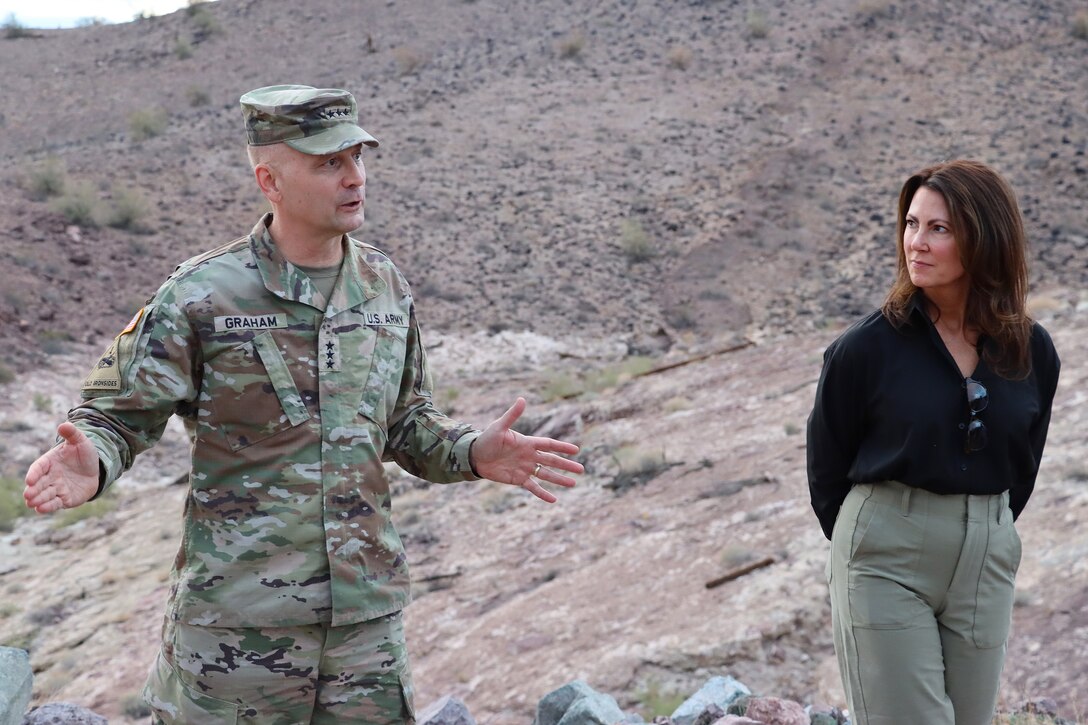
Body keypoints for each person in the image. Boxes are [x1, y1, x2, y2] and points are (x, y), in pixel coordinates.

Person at [22, 85, 584, 724]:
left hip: (364, 632)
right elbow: (118, 416)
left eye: (357, 159)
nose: (354, 178)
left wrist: (472, 451)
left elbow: (404, 421)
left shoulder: (384, 287)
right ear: (270, 180)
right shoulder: (203, 294)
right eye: (328, 163)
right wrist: (90, 459)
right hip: (239, 634)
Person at [806, 159, 1060, 724]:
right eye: (911, 223)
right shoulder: (864, 350)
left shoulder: (1032, 350)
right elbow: (827, 469)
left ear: (986, 237)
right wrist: (871, 548)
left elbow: (1023, 464)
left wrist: (981, 534)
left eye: (938, 229)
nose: (916, 243)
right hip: (885, 559)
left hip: (987, 559)